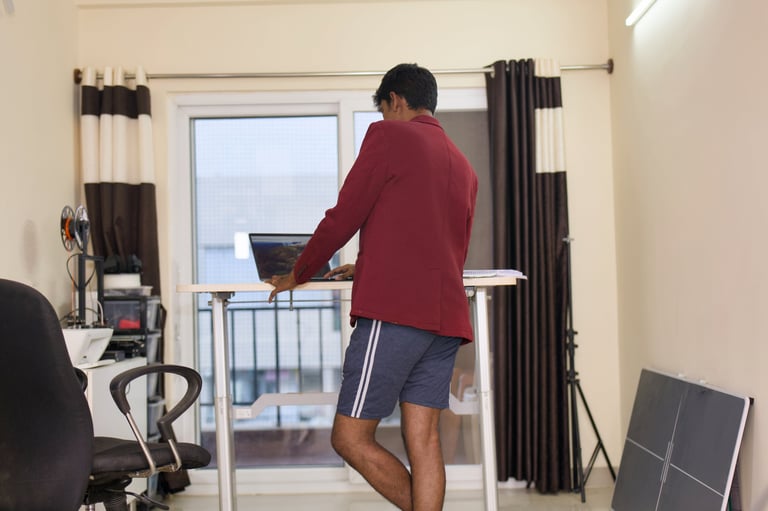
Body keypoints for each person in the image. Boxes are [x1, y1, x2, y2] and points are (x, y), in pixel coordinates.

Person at [268, 63, 478, 511]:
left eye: (383, 110)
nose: (382, 120)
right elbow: (445, 247)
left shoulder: (389, 137)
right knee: (424, 440)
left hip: (396, 317)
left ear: (395, 101)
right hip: (446, 322)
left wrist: (297, 272)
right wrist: (366, 268)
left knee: (349, 437)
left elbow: (344, 215)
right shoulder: (462, 165)